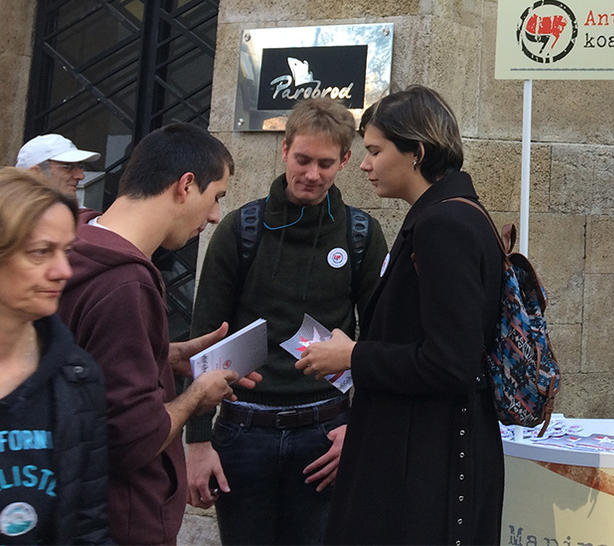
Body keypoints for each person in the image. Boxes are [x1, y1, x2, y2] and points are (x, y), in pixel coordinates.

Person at [296, 85, 505, 545]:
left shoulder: (445, 225)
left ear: (417, 152)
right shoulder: (440, 216)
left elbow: (452, 362)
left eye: (374, 150)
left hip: (431, 468)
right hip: (422, 454)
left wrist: (353, 357)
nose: (365, 164)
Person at [184, 98, 388, 545]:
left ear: (346, 161)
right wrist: (197, 443)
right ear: (284, 150)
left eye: (325, 163)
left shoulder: (360, 235)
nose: (312, 174)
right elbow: (204, 336)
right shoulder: (241, 229)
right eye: (302, 159)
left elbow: (378, 342)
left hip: (325, 433)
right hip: (243, 433)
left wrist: (359, 427)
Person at [57, 123, 257, 546]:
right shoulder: (126, 283)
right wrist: (197, 395)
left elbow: (80, 365)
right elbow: (133, 436)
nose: (216, 215)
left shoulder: (72, 241)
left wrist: (163, 355)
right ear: (186, 185)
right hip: (120, 521)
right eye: (216, 196)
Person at [0, 168, 110, 545]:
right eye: (40, 252)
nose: (63, 271)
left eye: (66, 251)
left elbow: (88, 526)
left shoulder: (77, 377)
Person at [16, 133, 101, 198]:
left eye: (80, 166)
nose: (81, 176)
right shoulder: (7, 215)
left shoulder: (83, 216)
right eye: (68, 167)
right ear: (35, 173)